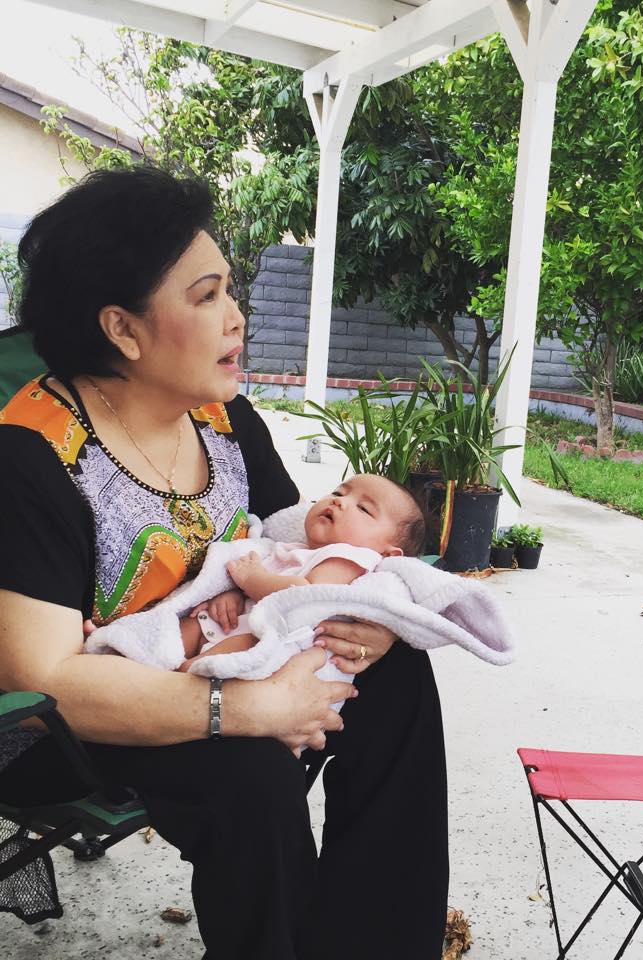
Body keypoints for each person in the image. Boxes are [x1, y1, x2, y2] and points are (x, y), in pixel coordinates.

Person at [0, 167, 448, 959]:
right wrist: (248, 708)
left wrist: (367, 614)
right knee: (251, 777)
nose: (237, 317)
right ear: (123, 329)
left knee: (398, 676)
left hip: (226, 653)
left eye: (229, 290)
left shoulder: (224, 419)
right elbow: (44, 686)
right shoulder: (28, 458)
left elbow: (296, 543)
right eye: (207, 297)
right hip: (72, 729)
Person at [179, 473, 426, 671]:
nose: (339, 501)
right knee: (178, 630)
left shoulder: (350, 557)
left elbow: (304, 596)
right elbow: (255, 582)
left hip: (262, 639)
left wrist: (250, 580)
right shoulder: (292, 548)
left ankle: (184, 679)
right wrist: (232, 596)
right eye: (338, 492)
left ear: (387, 554)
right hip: (228, 624)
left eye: (364, 509)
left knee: (246, 644)